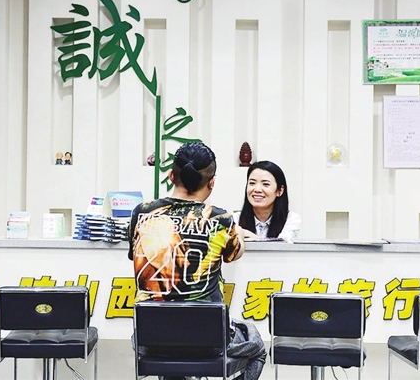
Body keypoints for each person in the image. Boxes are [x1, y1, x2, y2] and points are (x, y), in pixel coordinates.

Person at [128, 142, 266, 380]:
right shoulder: (221, 219)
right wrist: (238, 232)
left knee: (169, 340)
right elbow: (235, 253)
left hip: (149, 340)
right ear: (211, 183)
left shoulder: (142, 212)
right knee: (257, 348)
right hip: (208, 342)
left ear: (171, 176)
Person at [238, 161, 301, 242]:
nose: (257, 189)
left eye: (266, 184)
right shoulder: (234, 220)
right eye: (252, 183)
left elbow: (282, 246)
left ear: (280, 191)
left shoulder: (291, 219)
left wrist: (253, 237)